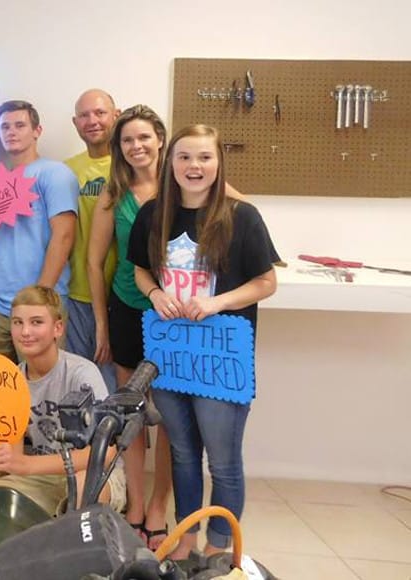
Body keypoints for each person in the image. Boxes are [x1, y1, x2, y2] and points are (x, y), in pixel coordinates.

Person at [128, 124, 278, 559]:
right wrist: (156, 294)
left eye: (205, 158)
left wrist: (216, 303)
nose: (195, 166)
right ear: (170, 162)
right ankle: (186, 538)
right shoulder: (152, 214)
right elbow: (140, 270)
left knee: (223, 460)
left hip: (220, 359)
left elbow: (266, 282)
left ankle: (218, 546)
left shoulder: (241, 216)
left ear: (218, 164)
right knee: (182, 455)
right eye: (185, 157)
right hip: (171, 355)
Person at [0, 285, 125, 516]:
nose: (25, 332)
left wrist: (26, 465)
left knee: (82, 490)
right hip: (39, 478)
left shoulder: (81, 373)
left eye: (36, 322)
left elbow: (105, 452)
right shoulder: (8, 381)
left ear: (57, 328)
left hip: (94, 473)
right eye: (17, 322)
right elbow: (10, 464)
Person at [86, 105, 174, 550]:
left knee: (172, 418)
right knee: (133, 417)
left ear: (160, 138)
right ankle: (137, 506)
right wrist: (102, 323)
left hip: (175, 315)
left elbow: (237, 204)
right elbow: (94, 261)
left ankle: (159, 509)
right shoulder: (112, 193)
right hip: (126, 309)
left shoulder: (184, 183)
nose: (136, 146)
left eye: (144, 137)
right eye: (127, 140)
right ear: (119, 149)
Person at [0, 100, 77, 362]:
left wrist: (41, 298)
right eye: (5, 126)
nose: (11, 132)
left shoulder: (54, 174)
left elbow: (64, 236)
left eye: (20, 125)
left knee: (41, 388)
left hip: (40, 303)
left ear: (37, 131)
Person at [65, 89, 120, 391]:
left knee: (116, 394)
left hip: (120, 297)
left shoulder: (134, 165)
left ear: (117, 115)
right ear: (75, 123)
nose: (92, 121)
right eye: (84, 115)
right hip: (75, 296)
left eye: (100, 112)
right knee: (78, 394)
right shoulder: (66, 170)